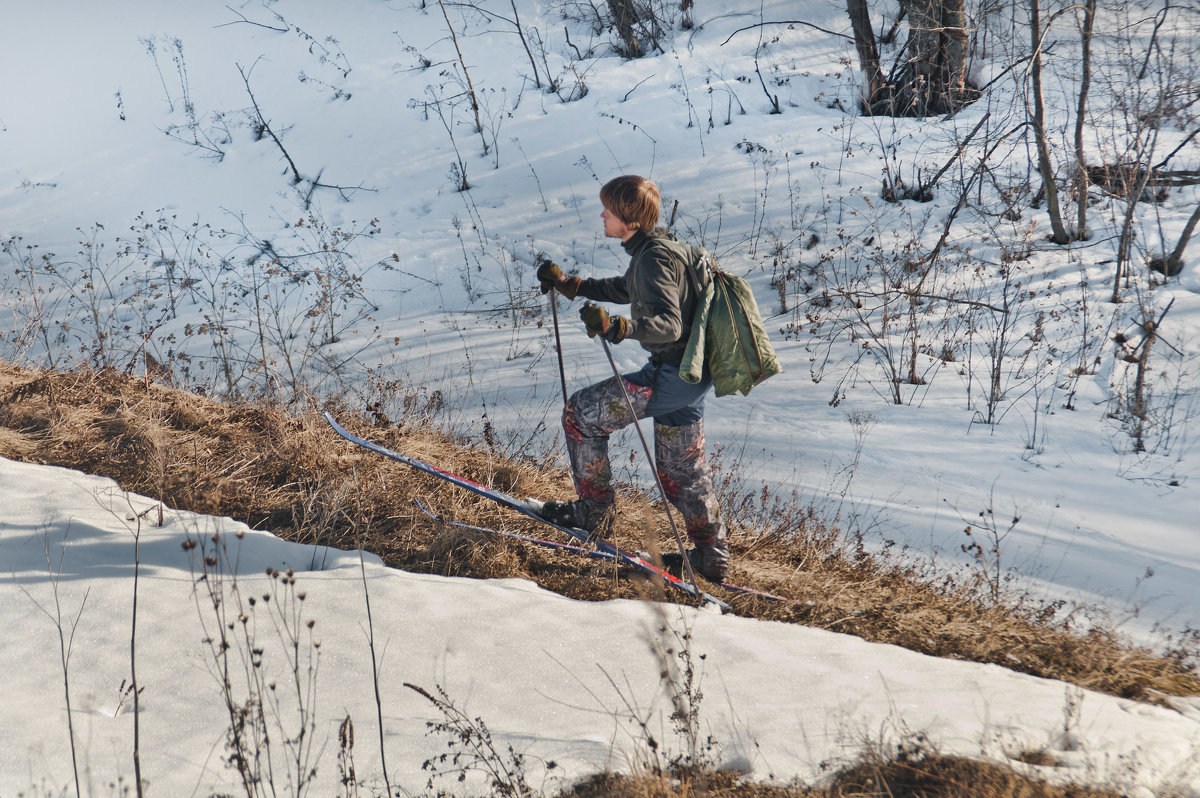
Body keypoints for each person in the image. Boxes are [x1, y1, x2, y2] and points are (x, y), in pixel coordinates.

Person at [534, 175, 730, 582]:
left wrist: (619, 328)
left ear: (631, 221)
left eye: (610, 209)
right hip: (693, 374)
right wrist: (574, 286)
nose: (603, 214)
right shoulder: (661, 251)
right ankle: (712, 555)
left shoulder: (654, 258)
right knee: (682, 471)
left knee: (581, 415)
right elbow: (629, 288)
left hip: (671, 374)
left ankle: (593, 514)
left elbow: (669, 326)